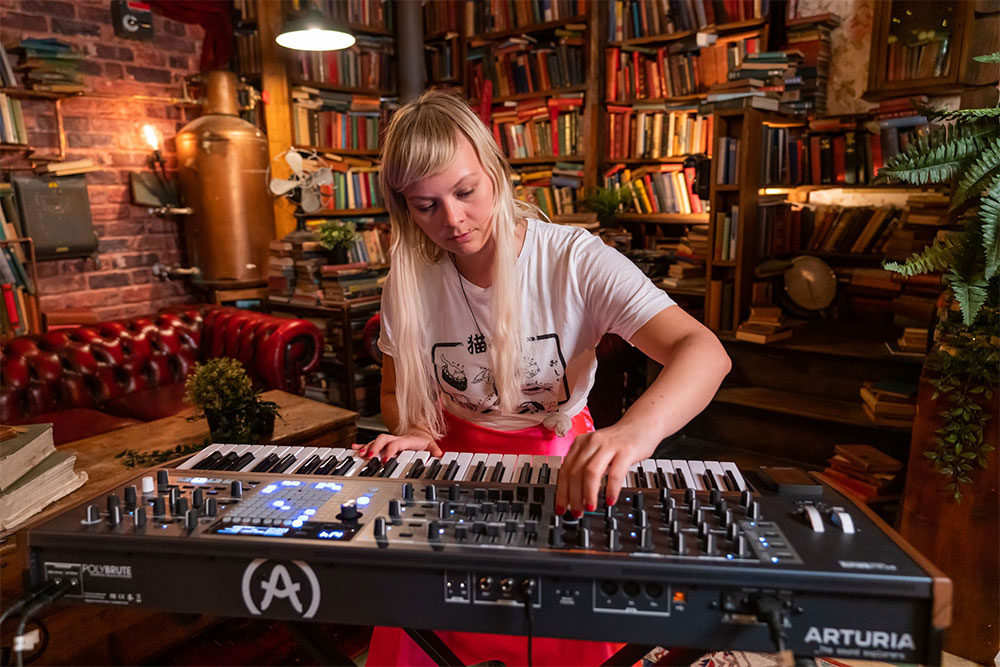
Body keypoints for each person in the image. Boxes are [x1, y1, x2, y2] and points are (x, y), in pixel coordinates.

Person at [354, 89, 731, 667]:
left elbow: (702, 350)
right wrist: (410, 428)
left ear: (496, 172)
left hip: (561, 466)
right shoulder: (407, 280)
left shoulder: (574, 260)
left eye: (465, 191)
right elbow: (394, 389)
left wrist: (633, 433)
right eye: (425, 206)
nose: (452, 221)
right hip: (451, 470)